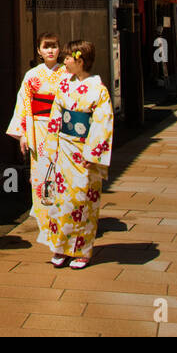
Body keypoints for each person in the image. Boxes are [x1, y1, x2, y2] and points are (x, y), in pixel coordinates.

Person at [42, 39, 114, 269]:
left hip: (84, 151)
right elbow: (55, 116)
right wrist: (51, 146)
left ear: (80, 61)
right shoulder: (64, 85)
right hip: (64, 146)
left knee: (83, 199)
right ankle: (60, 247)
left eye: (68, 58)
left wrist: (93, 153)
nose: (65, 62)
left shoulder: (98, 90)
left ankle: (82, 249)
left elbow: (102, 123)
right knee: (62, 200)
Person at [6, 33, 65, 245]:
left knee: (61, 174)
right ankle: (45, 225)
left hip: (61, 130)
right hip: (38, 129)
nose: (50, 51)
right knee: (40, 176)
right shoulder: (32, 76)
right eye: (46, 47)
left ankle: (61, 222)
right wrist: (23, 134)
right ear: (38, 51)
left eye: (54, 46)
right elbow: (24, 105)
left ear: (60, 49)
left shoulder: (67, 74)